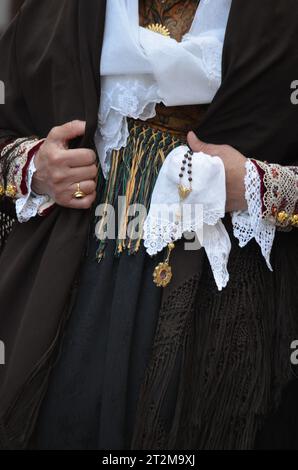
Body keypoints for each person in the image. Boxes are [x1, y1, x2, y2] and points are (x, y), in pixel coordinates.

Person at [0, 0, 298, 450]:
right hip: (78, 268)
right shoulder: (57, 12)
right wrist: (36, 168)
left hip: (225, 294)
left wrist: (258, 185)